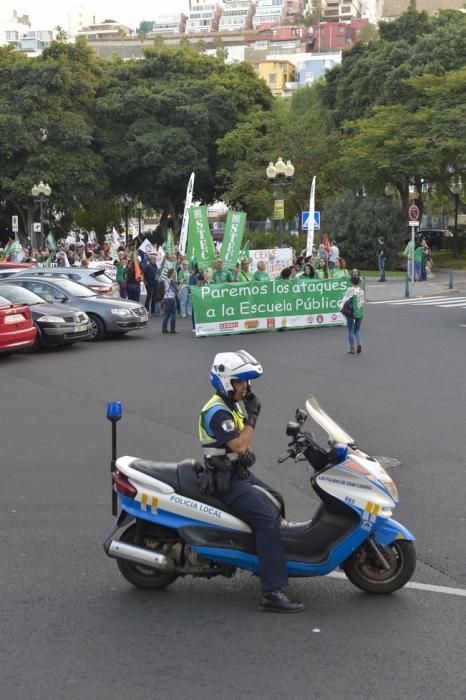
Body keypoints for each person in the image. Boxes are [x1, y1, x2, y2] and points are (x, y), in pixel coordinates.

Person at [198, 351, 304, 613]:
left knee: (276, 501)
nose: (246, 387)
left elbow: (240, 447)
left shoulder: (231, 405)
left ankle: (268, 560)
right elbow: (239, 442)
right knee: (267, 522)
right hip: (226, 482)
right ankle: (271, 592)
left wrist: (242, 455)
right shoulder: (217, 411)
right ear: (225, 381)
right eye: (240, 381)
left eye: (247, 382)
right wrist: (253, 417)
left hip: (237, 473)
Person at [340, 275, 365, 354]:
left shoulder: (350, 289)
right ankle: (359, 342)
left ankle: (352, 348)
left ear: (351, 282)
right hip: (359, 312)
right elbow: (361, 302)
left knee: (350, 330)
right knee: (357, 330)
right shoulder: (361, 290)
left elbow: (345, 299)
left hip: (351, 312)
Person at [162, 268, 179, 334]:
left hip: (166, 298)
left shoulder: (166, 280)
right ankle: (172, 329)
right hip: (171, 298)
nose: (175, 274)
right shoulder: (172, 281)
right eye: (174, 273)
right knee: (173, 314)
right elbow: (177, 289)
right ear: (172, 274)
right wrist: (180, 284)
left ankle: (164, 329)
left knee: (167, 314)